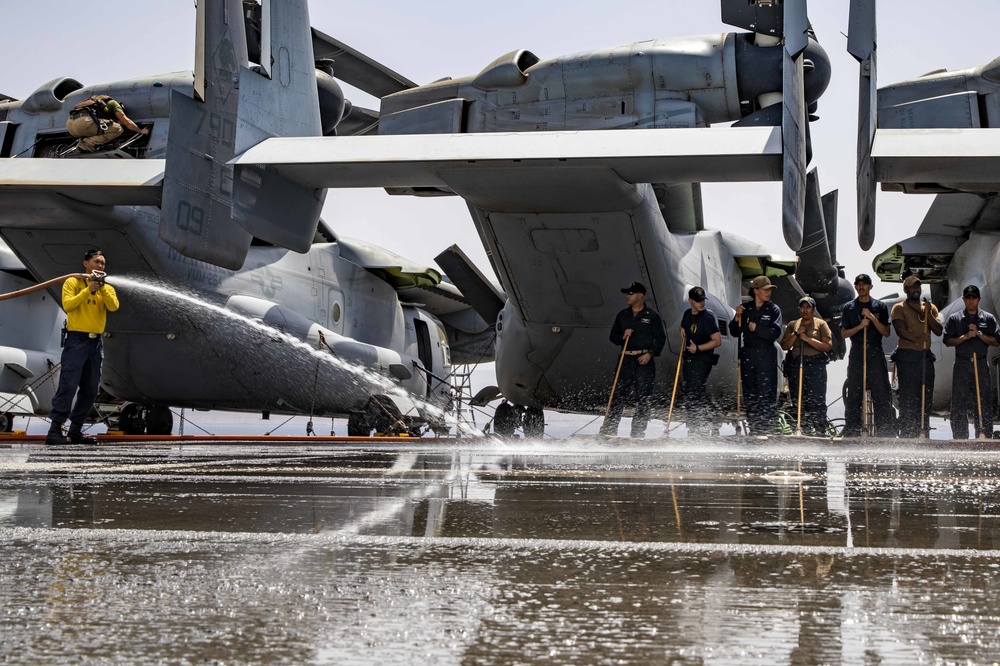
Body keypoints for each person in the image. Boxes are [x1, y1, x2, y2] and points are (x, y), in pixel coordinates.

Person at [46, 250, 120, 445]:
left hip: (96, 343)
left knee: (90, 388)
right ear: (85, 263)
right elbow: (68, 305)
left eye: (103, 263)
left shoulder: (108, 288)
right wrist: (88, 290)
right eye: (96, 262)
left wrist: (101, 288)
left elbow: (113, 306)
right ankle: (54, 430)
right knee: (69, 384)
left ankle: (75, 431)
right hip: (77, 340)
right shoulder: (73, 282)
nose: (100, 266)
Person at [601, 281, 666, 438]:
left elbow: (660, 339)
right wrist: (623, 336)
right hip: (626, 358)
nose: (627, 296)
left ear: (640, 295)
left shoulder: (652, 316)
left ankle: (637, 431)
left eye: (631, 293)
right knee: (618, 395)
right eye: (627, 293)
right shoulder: (622, 315)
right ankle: (609, 429)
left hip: (644, 361)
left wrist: (650, 353)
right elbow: (613, 337)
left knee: (643, 397)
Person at [841, 273, 895, 437]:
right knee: (855, 394)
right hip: (857, 351)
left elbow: (886, 332)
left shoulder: (880, 307)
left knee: (881, 393)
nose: (861, 287)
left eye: (865, 284)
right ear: (856, 287)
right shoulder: (849, 308)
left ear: (870, 287)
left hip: (875, 352)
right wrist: (860, 326)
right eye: (858, 284)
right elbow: (844, 333)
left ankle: (885, 431)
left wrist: (872, 318)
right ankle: (852, 430)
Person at [943, 285, 999, 439]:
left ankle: (984, 432)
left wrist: (979, 334)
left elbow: (996, 341)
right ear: (964, 300)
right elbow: (947, 341)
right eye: (968, 298)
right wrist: (965, 337)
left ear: (979, 299)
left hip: (981, 364)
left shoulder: (988, 318)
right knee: (959, 401)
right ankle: (960, 436)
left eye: (974, 298)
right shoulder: (955, 319)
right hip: (962, 364)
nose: (971, 301)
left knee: (983, 400)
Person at [729, 275, 782, 435]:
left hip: (765, 353)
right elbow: (734, 331)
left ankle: (766, 429)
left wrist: (756, 328)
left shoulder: (773, 309)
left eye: (769, 290)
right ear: (756, 290)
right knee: (750, 392)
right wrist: (737, 317)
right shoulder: (746, 309)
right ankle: (754, 429)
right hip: (748, 353)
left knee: (766, 392)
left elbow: (775, 332)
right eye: (765, 290)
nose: (768, 293)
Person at [891, 275, 943, 437]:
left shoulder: (930, 307)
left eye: (918, 287)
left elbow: (939, 330)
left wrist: (928, 314)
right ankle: (907, 431)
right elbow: (900, 331)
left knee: (925, 396)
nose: (916, 290)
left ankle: (923, 430)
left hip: (925, 357)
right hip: (907, 357)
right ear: (906, 290)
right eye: (912, 287)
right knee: (908, 396)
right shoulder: (899, 308)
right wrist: (917, 339)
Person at [780, 296, 833, 435]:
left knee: (817, 400)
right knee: (798, 400)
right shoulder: (793, 324)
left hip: (815, 366)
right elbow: (785, 345)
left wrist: (807, 339)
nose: (805, 310)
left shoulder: (821, 325)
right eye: (802, 307)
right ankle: (802, 429)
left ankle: (820, 430)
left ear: (814, 309)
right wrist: (796, 334)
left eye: (808, 307)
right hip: (797, 365)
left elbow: (827, 346)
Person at [679, 286, 722, 434]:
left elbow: (717, 341)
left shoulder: (707, 317)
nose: (701, 303)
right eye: (698, 301)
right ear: (691, 301)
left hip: (703, 359)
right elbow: (683, 325)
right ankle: (694, 425)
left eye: (702, 300)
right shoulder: (687, 314)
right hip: (689, 359)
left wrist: (698, 348)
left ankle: (701, 425)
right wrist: (682, 330)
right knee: (689, 391)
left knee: (696, 392)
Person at [66, 94, 149, 153]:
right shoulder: (114, 104)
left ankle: (80, 147)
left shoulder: (93, 101)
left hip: (70, 125)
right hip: (84, 122)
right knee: (117, 128)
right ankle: (87, 145)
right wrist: (140, 131)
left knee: (95, 130)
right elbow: (126, 122)